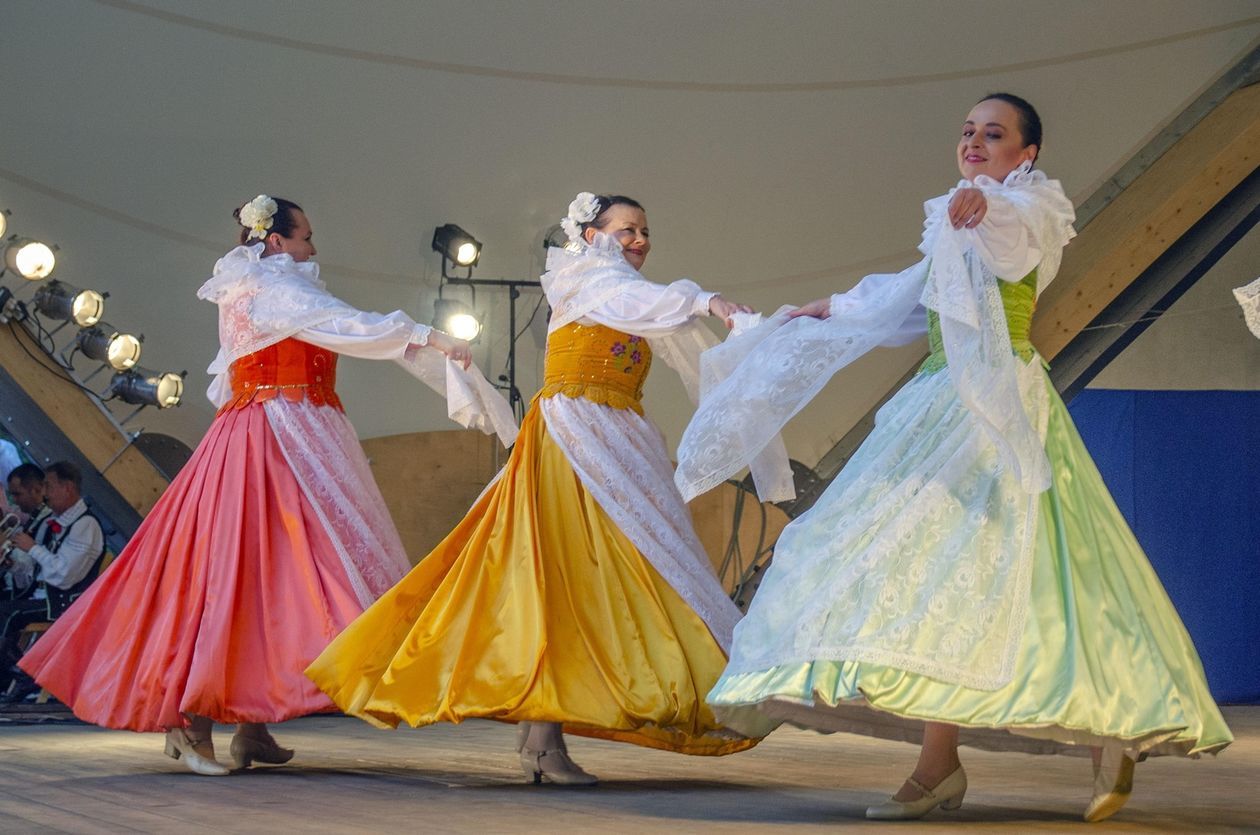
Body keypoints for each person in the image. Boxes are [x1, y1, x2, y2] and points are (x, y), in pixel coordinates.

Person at [674, 94, 1232, 822]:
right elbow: (914, 299)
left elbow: (1013, 232)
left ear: (1025, 154)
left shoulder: (1032, 211)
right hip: (939, 401)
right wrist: (834, 308)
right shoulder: (955, 213)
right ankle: (940, 765)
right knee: (926, 575)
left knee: (1032, 576)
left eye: (993, 134)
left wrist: (984, 202)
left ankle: (1108, 734)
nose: (974, 142)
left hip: (998, 408)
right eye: (968, 131)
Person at [19, 195, 516, 776]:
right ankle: (192, 725)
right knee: (236, 576)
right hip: (276, 437)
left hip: (287, 429)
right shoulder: (273, 288)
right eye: (305, 235)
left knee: (271, 579)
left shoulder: (253, 287)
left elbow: (263, 360)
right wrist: (427, 334)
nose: (313, 245)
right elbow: (348, 326)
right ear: (275, 241)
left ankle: (252, 725)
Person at [307, 193, 770, 785]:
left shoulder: (619, 288)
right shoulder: (584, 279)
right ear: (590, 234)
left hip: (620, 442)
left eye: (646, 231)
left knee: (590, 580)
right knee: (564, 575)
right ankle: (544, 740)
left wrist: (761, 336)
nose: (640, 241)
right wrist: (705, 298)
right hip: (574, 440)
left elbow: (678, 338)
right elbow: (640, 300)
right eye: (626, 230)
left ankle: (545, 738)